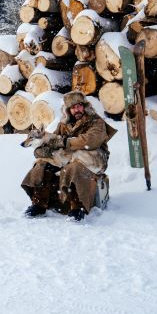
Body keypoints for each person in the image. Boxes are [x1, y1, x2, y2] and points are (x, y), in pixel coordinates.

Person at [21, 91, 117, 222]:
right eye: (73, 107)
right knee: (42, 165)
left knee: (73, 168)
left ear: (84, 106)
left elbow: (90, 140)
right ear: (68, 110)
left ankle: (77, 208)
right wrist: (42, 151)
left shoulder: (96, 122)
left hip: (95, 158)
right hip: (70, 157)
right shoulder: (64, 124)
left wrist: (66, 142)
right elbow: (53, 141)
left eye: (79, 105)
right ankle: (39, 204)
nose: (76, 109)